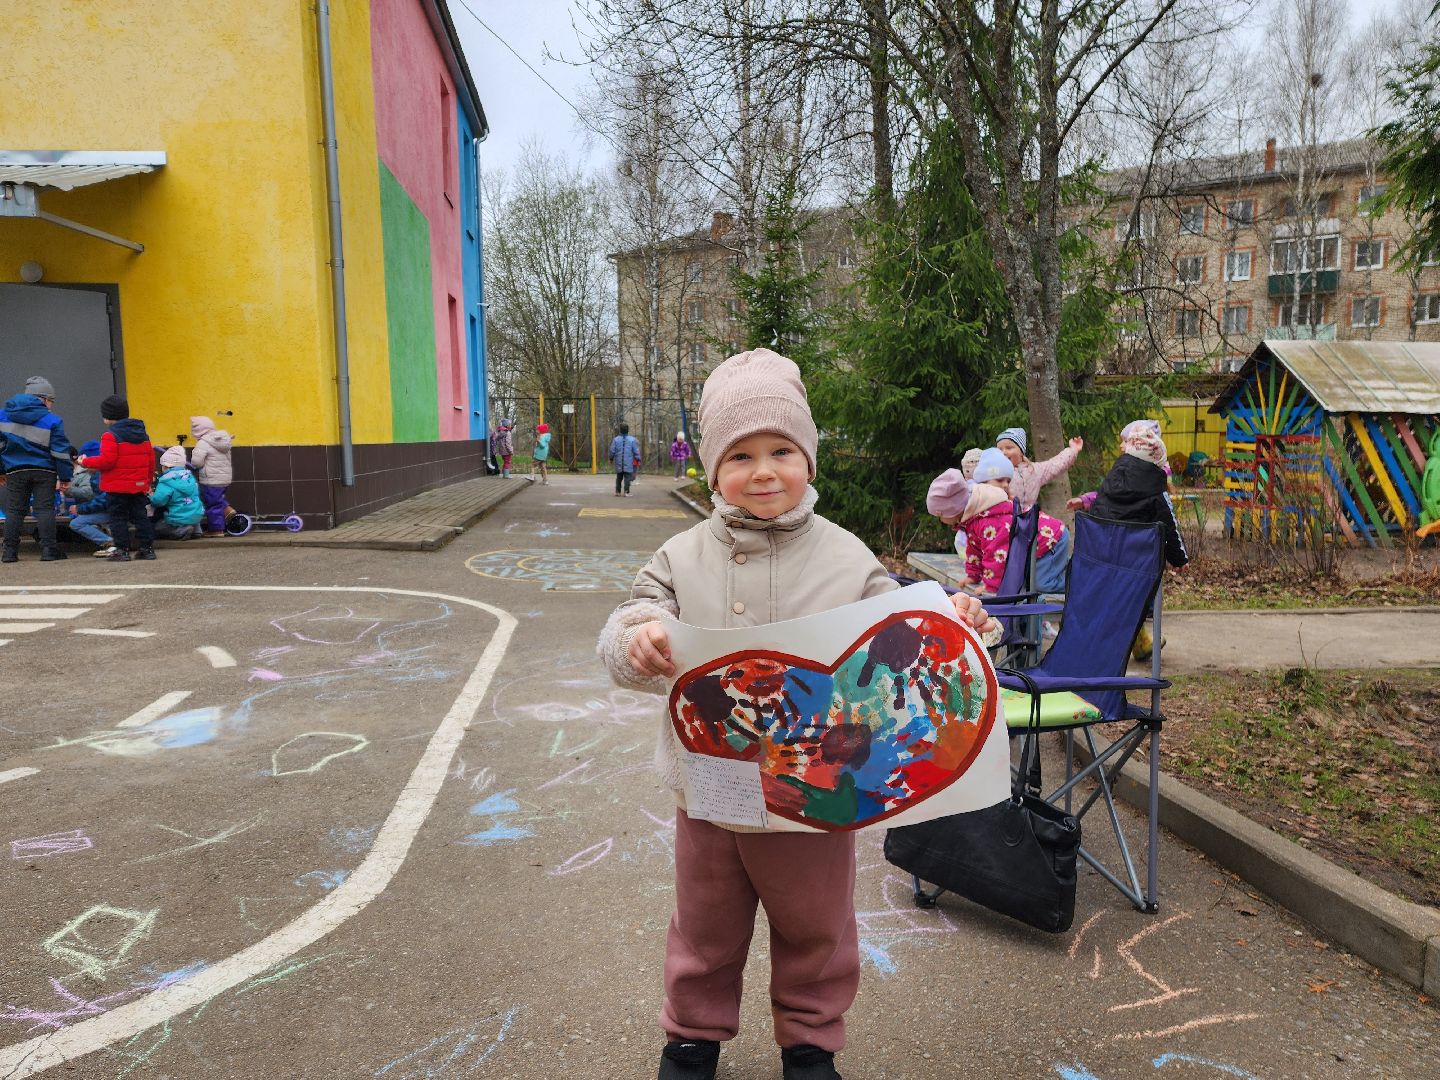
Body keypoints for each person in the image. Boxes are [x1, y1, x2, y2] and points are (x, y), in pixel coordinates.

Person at [596, 349, 997, 1080]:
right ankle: (691, 1038)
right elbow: (632, 613)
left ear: (808, 460)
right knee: (704, 925)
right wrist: (639, 639)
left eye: (782, 450)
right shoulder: (682, 554)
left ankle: (810, 1044)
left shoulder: (845, 556)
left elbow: (905, 628)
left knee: (817, 925)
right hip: (712, 785)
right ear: (712, 470)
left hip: (818, 787)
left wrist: (959, 618)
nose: (764, 470)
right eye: (740, 455)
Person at [1067, 420, 1188, 661]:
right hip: (1135, 568)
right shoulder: (1156, 490)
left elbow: (1100, 505)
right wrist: (1179, 558)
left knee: (1112, 601)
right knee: (1134, 597)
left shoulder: (1113, 480)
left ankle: (1112, 642)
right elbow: (1169, 524)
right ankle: (1134, 636)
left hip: (1098, 563)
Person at [960, 448, 1070, 595]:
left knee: (1041, 584)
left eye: (1008, 481)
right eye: (1000, 480)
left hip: (1053, 538)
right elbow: (975, 546)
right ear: (982, 484)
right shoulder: (979, 513)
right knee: (1030, 582)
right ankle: (1066, 566)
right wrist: (973, 576)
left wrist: (991, 586)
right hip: (1038, 543)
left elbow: (997, 554)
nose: (1006, 485)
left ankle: (1078, 583)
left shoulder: (1000, 512)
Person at [0, 376, 74, 563]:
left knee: (15, 510)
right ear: (42, 398)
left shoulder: (3, 416)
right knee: (44, 509)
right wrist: (65, 476)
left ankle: (9, 552)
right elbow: (60, 451)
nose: (51, 405)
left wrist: (1, 470)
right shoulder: (52, 420)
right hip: (44, 471)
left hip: (15, 470)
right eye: (51, 401)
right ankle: (49, 550)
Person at [79, 395, 155, 562]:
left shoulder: (110, 436)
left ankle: (122, 550)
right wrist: (147, 481)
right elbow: (150, 460)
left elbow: (107, 461)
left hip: (117, 486)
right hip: (138, 484)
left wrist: (85, 462)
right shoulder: (143, 434)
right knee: (140, 516)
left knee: (118, 518)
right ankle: (147, 549)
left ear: (107, 417)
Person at [995, 425, 1084, 511]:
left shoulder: (1034, 470)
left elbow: (1056, 464)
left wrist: (1073, 449)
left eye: (1009, 448)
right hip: (1005, 517)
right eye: (1000, 449)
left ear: (1021, 452)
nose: (1003, 452)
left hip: (1029, 518)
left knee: (1055, 525)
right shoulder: (995, 472)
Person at [64, 440, 114, 555]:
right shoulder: (97, 475)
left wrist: (80, 508)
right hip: (116, 509)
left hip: (113, 510)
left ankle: (109, 543)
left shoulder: (101, 476)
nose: (83, 465)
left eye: (86, 461)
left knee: (76, 523)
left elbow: (103, 500)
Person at [189, 416, 234, 536]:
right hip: (224, 478)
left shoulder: (203, 443)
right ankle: (228, 510)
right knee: (216, 498)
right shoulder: (223, 440)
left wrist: (196, 463)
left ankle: (216, 529)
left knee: (212, 504)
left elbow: (196, 462)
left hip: (211, 479)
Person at [150, 445, 205, 540]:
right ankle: (197, 530)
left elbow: (158, 501)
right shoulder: (190, 478)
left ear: (166, 466)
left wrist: (151, 496)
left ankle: (181, 531)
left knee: (156, 528)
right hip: (197, 515)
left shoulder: (166, 481)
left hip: (177, 518)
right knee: (191, 507)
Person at [609, 422, 640, 497]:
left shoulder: (616, 440)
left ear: (620, 430)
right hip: (628, 462)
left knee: (619, 477)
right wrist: (638, 459)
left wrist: (611, 458)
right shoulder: (632, 440)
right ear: (628, 430)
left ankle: (617, 491)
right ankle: (626, 491)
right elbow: (636, 450)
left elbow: (612, 450)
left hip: (619, 462)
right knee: (627, 477)